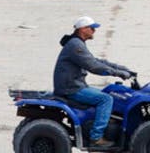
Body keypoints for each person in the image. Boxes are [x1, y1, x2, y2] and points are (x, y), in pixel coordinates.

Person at [53, 17, 134, 149]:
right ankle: (96, 138)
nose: (94, 30)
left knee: (110, 93)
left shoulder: (78, 43)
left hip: (75, 85)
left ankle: (105, 121)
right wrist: (117, 73)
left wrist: (120, 68)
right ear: (82, 29)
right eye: (92, 28)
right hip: (71, 88)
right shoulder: (75, 45)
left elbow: (96, 61)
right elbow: (94, 66)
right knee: (106, 99)